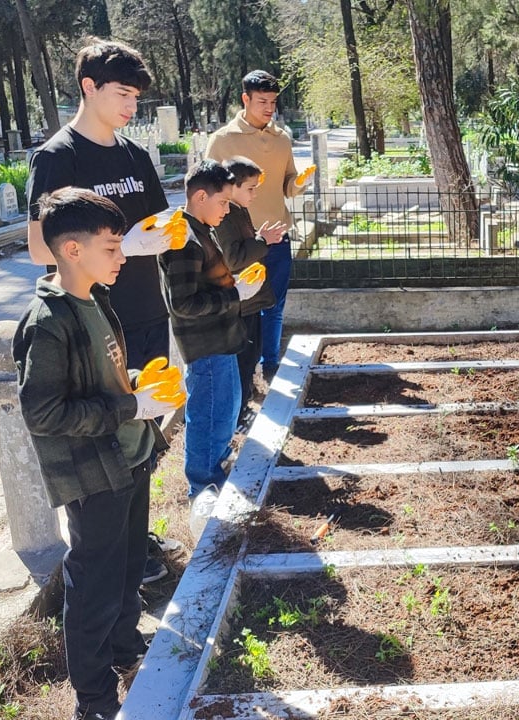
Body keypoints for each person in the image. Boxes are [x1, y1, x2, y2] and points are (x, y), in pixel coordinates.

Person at [13, 188, 181, 720]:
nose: (123, 257)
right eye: (111, 248)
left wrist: (133, 386)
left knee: (130, 568)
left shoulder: (96, 298)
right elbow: (43, 413)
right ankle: (94, 698)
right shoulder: (48, 321)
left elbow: (103, 377)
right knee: (94, 586)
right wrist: (128, 408)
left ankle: (127, 649)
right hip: (93, 473)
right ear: (70, 249)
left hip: (127, 459)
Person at [25, 38, 177, 585]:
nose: (131, 107)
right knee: (102, 433)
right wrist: (124, 247)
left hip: (142, 310)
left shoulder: (136, 157)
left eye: (136, 96)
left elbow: (158, 225)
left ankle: (138, 540)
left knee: (145, 429)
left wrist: (163, 237)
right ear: (88, 88)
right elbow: (40, 249)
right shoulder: (58, 157)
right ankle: (94, 561)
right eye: (122, 94)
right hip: (89, 322)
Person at [158, 160, 265, 522]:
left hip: (222, 339)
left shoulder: (199, 228)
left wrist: (235, 289)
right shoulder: (183, 240)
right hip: (205, 345)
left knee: (225, 412)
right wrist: (236, 295)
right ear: (200, 196)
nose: (227, 210)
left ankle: (215, 472)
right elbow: (184, 304)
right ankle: (202, 489)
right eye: (222, 203)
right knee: (209, 416)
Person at [204, 69, 314, 384]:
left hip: (277, 237)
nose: (269, 108)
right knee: (241, 306)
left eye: (273, 102)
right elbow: (209, 188)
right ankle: (243, 370)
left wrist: (300, 182)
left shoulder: (282, 139)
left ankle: (269, 363)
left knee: (274, 304)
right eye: (262, 101)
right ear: (245, 99)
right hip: (237, 242)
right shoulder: (222, 140)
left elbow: (288, 186)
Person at [216, 156, 287, 421]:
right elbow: (233, 258)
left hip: (250, 300)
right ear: (232, 186)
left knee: (250, 355)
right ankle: (239, 413)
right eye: (250, 188)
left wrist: (261, 239)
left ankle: (243, 405)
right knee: (242, 359)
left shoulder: (238, 210)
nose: (254, 194)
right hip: (240, 300)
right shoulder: (225, 215)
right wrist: (262, 241)